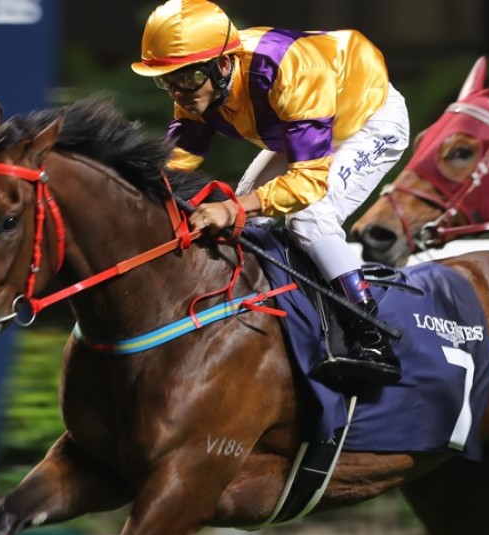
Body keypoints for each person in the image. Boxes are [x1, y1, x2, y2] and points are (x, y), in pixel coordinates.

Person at [131, 0, 409, 386]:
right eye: (168, 80)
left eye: (189, 78)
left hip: (367, 120)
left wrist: (231, 209)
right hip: (303, 124)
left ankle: (372, 336)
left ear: (223, 65)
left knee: (308, 218)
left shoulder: (284, 70)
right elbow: (177, 161)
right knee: (253, 220)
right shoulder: (198, 85)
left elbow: (308, 180)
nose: (179, 92)